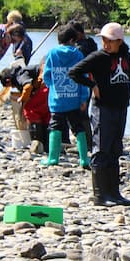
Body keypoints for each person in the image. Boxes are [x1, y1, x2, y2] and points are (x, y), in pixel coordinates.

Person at [68, 22, 130, 206]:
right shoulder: (98, 57)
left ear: (119, 41)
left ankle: (114, 193)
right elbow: (74, 72)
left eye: (110, 41)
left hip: (121, 106)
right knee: (101, 149)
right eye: (104, 40)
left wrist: (126, 81)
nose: (106, 44)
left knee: (115, 149)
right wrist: (93, 85)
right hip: (103, 108)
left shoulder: (125, 55)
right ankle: (100, 195)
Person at [43, 24, 91, 168]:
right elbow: (83, 76)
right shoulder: (78, 54)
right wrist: (84, 98)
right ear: (72, 40)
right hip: (74, 100)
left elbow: (46, 75)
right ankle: (84, 160)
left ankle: (53, 158)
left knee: (55, 127)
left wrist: (52, 86)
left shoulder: (52, 53)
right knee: (78, 128)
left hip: (57, 100)